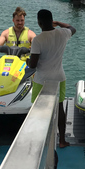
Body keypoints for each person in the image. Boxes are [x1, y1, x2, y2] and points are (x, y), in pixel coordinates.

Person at [27, 9, 76, 148]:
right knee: (60, 108)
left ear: (39, 22)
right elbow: (72, 28)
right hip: (59, 77)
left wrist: (27, 62)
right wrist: (59, 23)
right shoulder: (62, 33)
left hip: (42, 79)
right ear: (52, 21)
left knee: (38, 109)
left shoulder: (38, 40)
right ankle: (62, 141)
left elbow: (33, 65)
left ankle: (38, 140)